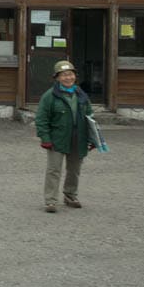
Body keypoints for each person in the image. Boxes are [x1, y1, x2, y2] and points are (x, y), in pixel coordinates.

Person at [34, 59, 96, 212]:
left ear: (75, 76)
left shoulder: (81, 94)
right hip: (57, 138)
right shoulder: (49, 96)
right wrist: (45, 138)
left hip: (78, 137)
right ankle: (50, 201)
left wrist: (93, 137)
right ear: (57, 78)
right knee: (54, 170)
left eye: (70, 74)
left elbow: (90, 117)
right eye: (64, 75)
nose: (68, 78)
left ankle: (70, 195)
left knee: (74, 170)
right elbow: (41, 119)